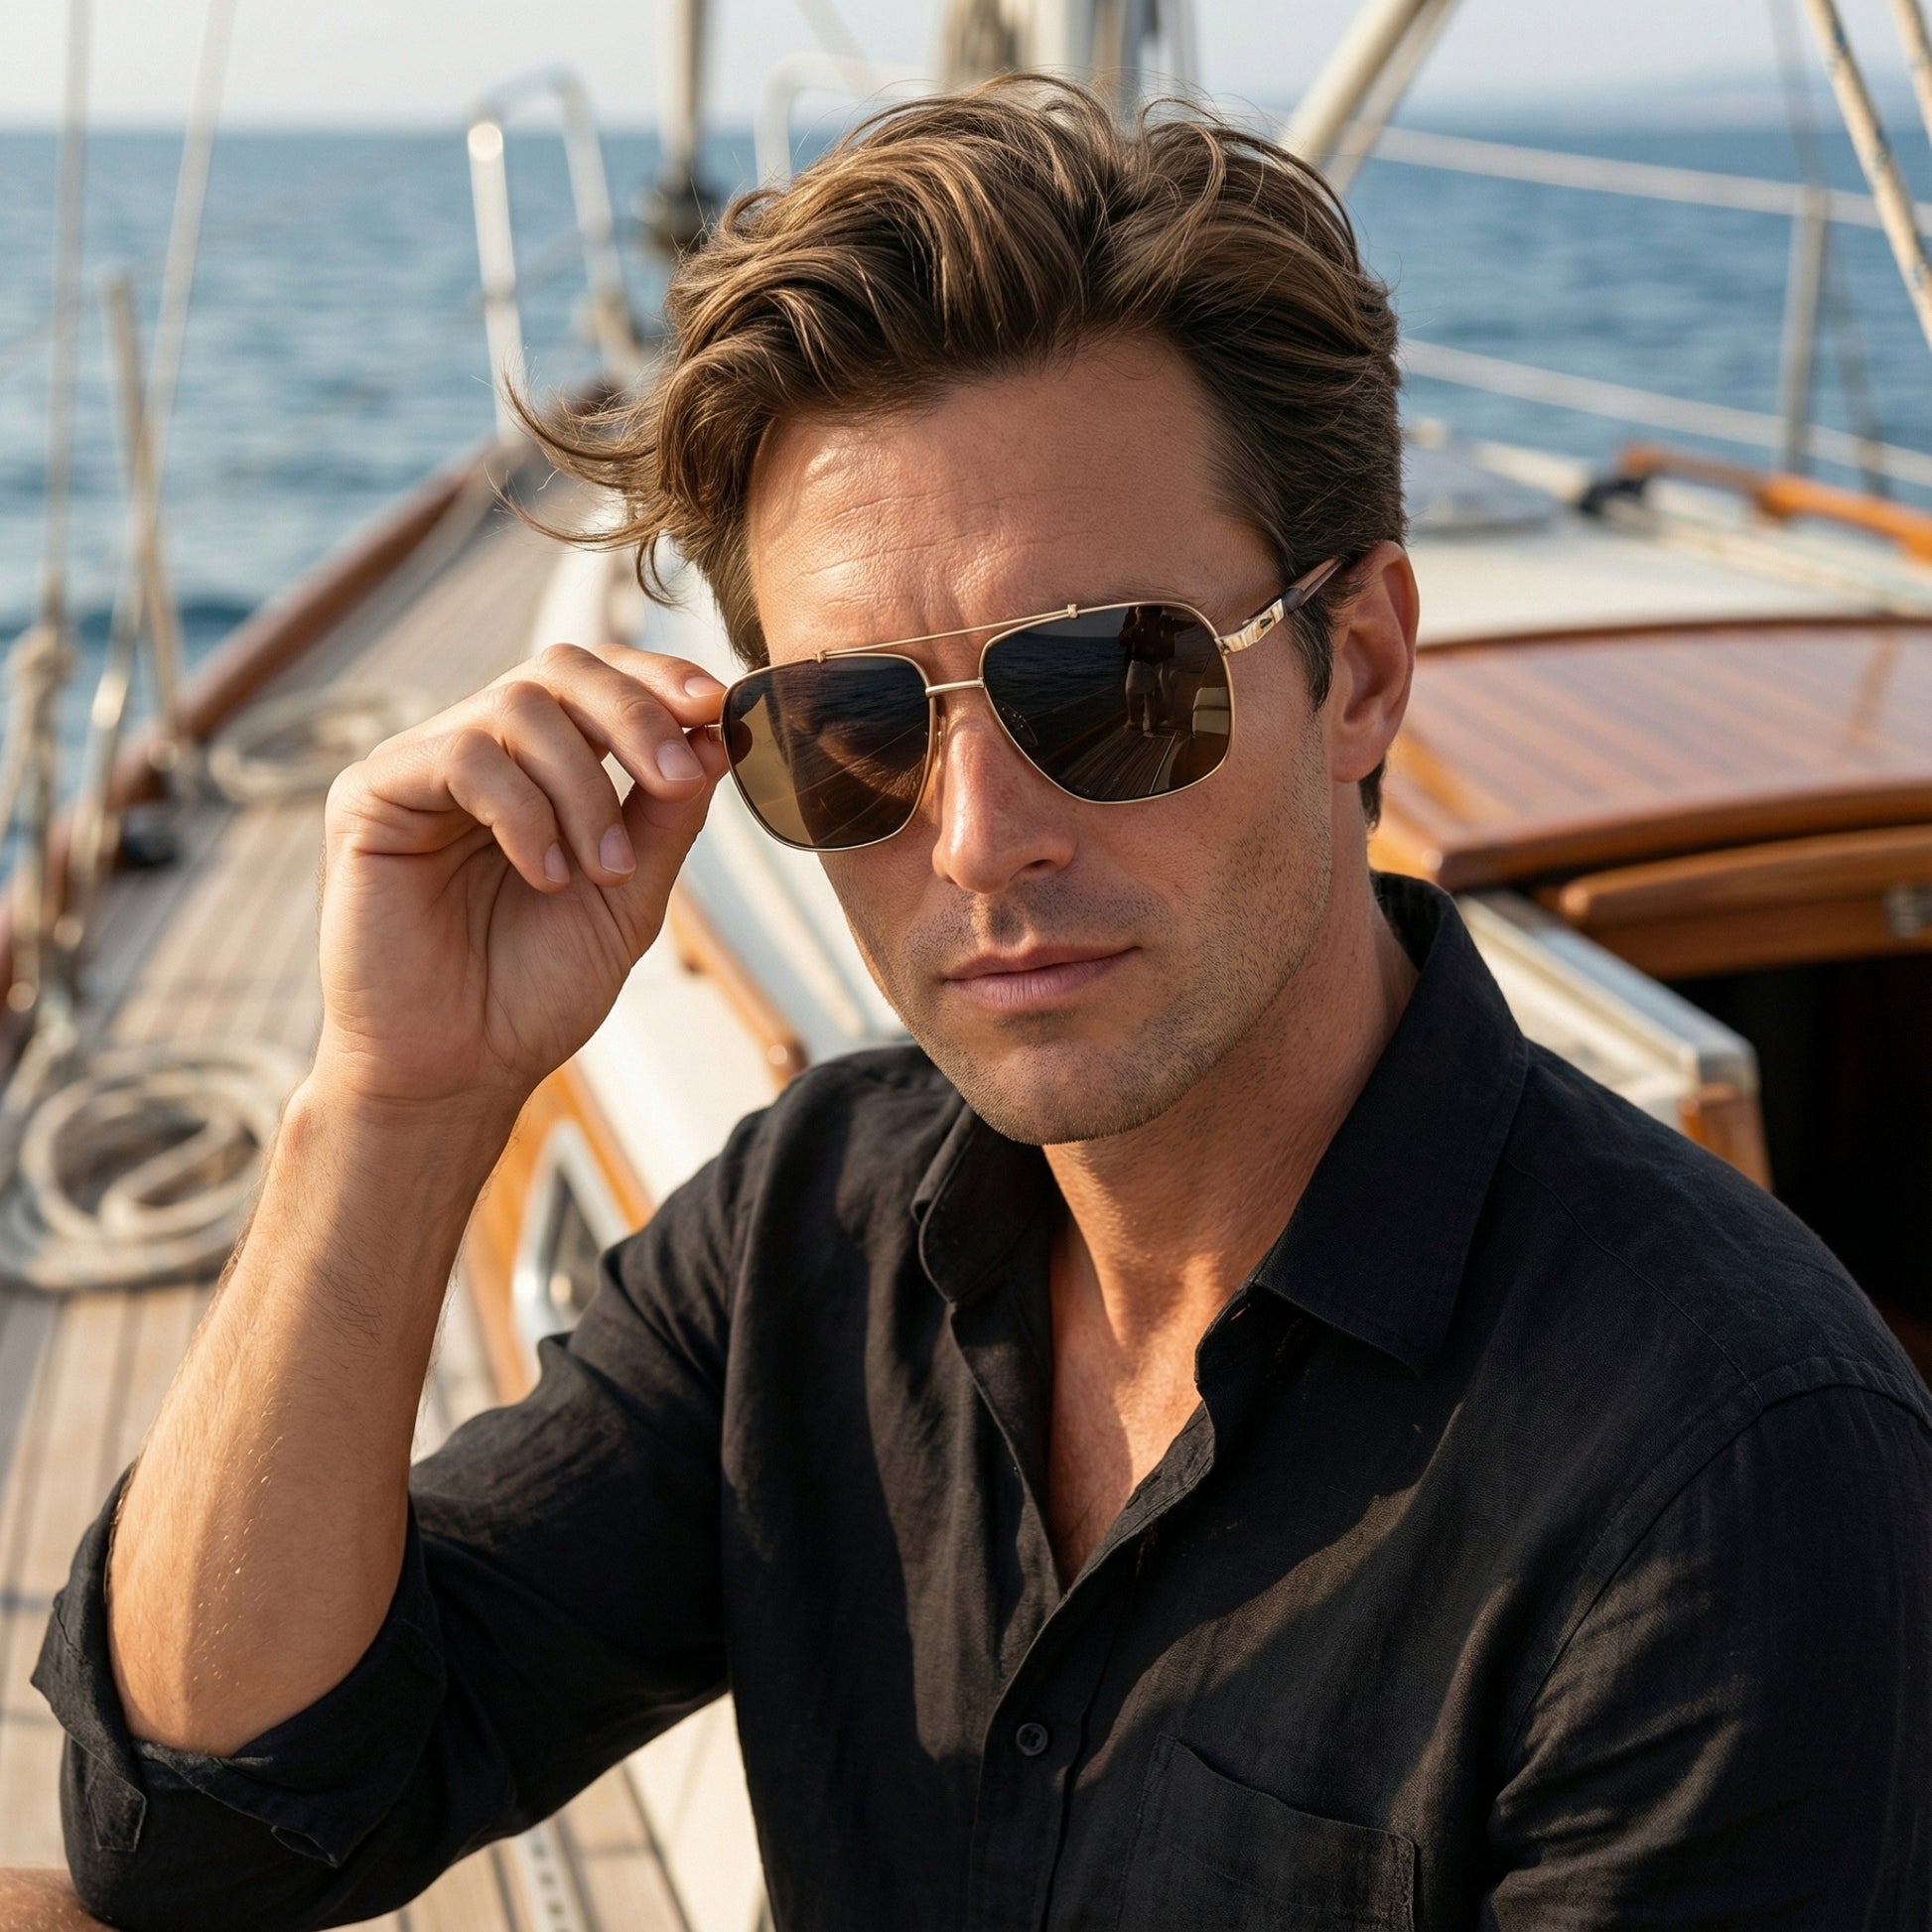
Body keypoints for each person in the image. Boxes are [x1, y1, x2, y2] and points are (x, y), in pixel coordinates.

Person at [36, 78, 1932, 1931]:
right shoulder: (809, 1229)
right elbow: (212, 1834)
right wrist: (394, 1101)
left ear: (1355, 671)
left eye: (1108, 686)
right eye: (851, 731)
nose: (975, 841)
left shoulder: (1727, 1466)